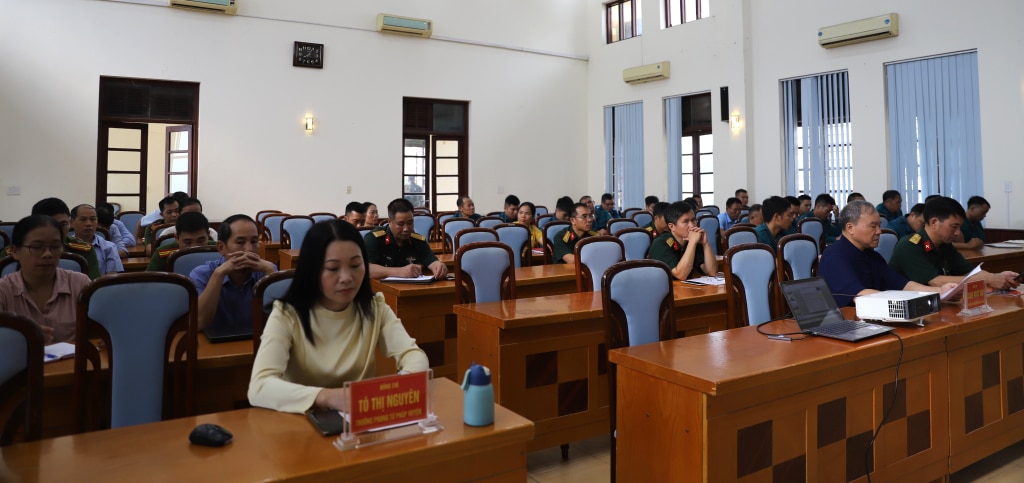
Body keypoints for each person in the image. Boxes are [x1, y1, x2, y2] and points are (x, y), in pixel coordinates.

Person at [248, 220, 429, 413]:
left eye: (355, 265)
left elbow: (414, 355)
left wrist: (402, 382)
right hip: (303, 425)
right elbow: (260, 387)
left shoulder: (374, 307)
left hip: (360, 425)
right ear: (312, 270)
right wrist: (328, 397)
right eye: (333, 268)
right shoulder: (287, 314)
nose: (346, 277)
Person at [818, 201, 952, 307]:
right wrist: (909, 303)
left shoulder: (871, 255)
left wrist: (940, 291)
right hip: (846, 325)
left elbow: (902, 284)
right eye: (873, 226)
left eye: (879, 226)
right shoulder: (835, 256)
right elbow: (861, 295)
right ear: (850, 228)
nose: (879, 231)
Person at [889, 197, 1017, 290]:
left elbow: (968, 272)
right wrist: (988, 280)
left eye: (959, 227)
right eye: (954, 226)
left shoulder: (944, 245)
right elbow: (936, 281)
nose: (957, 233)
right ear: (934, 223)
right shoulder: (910, 245)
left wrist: (998, 277)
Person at [0, 215, 91, 343]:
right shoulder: (4, 291)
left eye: (55, 247)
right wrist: (20, 338)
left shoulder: (80, 284)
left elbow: (100, 335)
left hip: (71, 362)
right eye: (36, 247)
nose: (48, 254)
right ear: (15, 251)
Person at [191, 214, 277, 331]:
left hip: (257, 344)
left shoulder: (266, 271)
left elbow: (283, 324)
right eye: (240, 242)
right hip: (215, 347)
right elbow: (199, 323)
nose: (249, 249)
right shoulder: (202, 274)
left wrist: (271, 273)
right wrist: (219, 275)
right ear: (221, 247)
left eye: (254, 241)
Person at [364, 198, 447, 280]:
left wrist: (438, 266)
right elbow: (367, 269)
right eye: (401, 224)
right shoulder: (374, 239)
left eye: (410, 223)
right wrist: (399, 272)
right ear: (390, 222)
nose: (406, 229)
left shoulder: (418, 241)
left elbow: (431, 261)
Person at [31, 197, 100, 279]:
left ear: (70, 223)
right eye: (52, 225)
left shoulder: (85, 251)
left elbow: (92, 286)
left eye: (63, 224)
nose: (58, 230)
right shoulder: (23, 250)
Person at [647, 201, 717, 280]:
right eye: (686, 221)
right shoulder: (660, 244)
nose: (692, 225)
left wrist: (706, 244)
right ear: (671, 226)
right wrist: (692, 243)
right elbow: (681, 275)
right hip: (664, 289)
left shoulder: (693, 240)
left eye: (693, 220)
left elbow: (712, 272)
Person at [146, 211, 214, 272]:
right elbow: (151, 282)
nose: (194, 247)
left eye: (201, 241)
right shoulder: (163, 253)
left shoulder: (218, 249)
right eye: (188, 242)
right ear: (177, 238)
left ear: (208, 235)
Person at [69, 204, 124, 276]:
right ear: (72, 223)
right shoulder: (66, 245)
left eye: (93, 219)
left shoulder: (109, 247)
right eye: (83, 219)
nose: (89, 224)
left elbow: (111, 278)